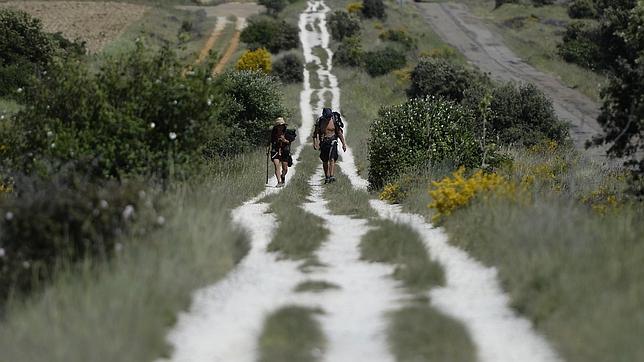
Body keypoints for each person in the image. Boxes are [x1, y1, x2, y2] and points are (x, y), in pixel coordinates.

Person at [313, 108, 347, 184]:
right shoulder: (320, 121)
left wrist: (343, 144)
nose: (328, 119)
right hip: (324, 142)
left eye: (329, 117)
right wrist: (315, 142)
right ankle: (327, 177)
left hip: (333, 140)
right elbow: (316, 133)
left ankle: (331, 176)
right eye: (327, 118)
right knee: (325, 161)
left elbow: (339, 133)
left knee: (332, 158)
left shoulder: (334, 120)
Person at [268, 117, 292, 187]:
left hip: (284, 150)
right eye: (278, 125)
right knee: (276, 166)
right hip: (275, 149)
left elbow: (290, 141)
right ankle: (279, 182)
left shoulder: (287, 131)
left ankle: (283, 176)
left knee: (285, 168)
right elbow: (271, 141)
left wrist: (284, 140)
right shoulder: (274, 132)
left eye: (281, 125)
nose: (280, 126)